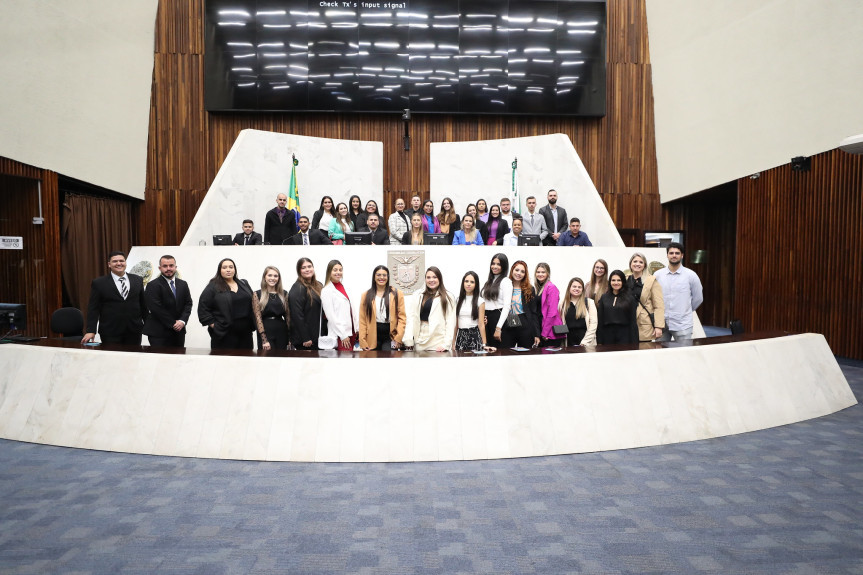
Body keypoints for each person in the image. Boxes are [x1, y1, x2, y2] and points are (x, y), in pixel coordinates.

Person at [82, 251, 148, 345]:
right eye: (115, 261)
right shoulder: (99, 283)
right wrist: (90, 330)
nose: (119, 263)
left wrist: (149, 327)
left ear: (125, 262)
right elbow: (93, 308)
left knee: (133, 358)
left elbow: (143, 306)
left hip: (134, 331)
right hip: (110, 332)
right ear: (109, 264)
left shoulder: (138, 280)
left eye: (121, 261)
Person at [197, 258, 256, 349]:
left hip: (246, 333)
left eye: (231, 267)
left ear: (234, 269)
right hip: (224, 334)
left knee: (245, 361)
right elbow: (203, 308)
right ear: (219, 270)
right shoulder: (213, 286)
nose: (228, 270)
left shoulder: (243, 283)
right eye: (224, 267)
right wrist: (215, 326)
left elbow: (253, 303)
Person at [653, 242, 703, 341]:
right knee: (660, 353)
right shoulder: (658, 275)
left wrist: (685, 310)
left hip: (682, 325)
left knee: (683, 354)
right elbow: (653, 297)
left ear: (682, 255)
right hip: (661, 324)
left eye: (677, 253)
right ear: (667, 255)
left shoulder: (691, 275)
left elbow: (698, 298)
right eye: (671, 253)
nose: (674, 255)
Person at [143, 254, 193, 348]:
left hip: (179, 332)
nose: (168, 268)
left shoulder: (183, 284)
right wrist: (174, 323)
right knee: (160, 361)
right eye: (165, 266)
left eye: (171, 265)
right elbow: (156, 308)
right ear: (160, 268)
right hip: (159, 333)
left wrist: (182, 321)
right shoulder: (152, 285)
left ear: (175, 267)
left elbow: (188, 304)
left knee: (178, 360)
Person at [403, 266, 455, 352]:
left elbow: (450, 322)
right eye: (428, 277)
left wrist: (446, 344)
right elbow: (411, 318)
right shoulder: (417, 295)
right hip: (420, 339)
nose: (431, 280)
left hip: (438, 341)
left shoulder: (448, 297)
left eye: (434, 277)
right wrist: (408, 340)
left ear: (440, 279)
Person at [358, 265, 406, 351]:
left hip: (391, 336)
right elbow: (362, 320)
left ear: (388, 277)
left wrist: (398, 338)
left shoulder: (397, 294)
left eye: (384, 275)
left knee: (388, 361)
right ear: (374, 277)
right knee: (372, 362)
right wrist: (362, 340)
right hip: (372, 336)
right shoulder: (366, 295)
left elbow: (402, 318)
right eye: (378, 275)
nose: (381, 277)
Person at [501, 260, 541, 349]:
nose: (519, 273)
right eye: (517, 270)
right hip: (509, 321)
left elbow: (534, 312)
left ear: (525, 274)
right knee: (506, 352)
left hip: (525, 323)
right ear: (512, 270)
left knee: (525, 354)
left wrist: (536, 334)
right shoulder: (505, 286)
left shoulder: (530, 289)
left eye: (522, 271)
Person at [453, 271, 496, 352]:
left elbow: (481, 324)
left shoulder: (480, 301)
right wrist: (453, 343)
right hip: (461, 336)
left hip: (474, 335)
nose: (468, 284)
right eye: (466, 281)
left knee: (475, 363)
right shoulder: (458, 300)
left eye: (472, 282)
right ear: (463, 283)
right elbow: (456, 325)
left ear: (476, 284)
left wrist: (484, 344)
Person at [288, 257, 325, 350]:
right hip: (306, 340)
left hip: (318, 336)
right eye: (303, 267)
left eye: (309, 266)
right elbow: (297, 315)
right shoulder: (298, 288)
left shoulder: (319, 285)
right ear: (299, 271)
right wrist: (306, 337)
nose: (307, 269)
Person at [627, 252, 665, 342]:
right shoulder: (625, 279)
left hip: (644, 324)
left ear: (644, 265)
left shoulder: (651, 281)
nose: (637, 264)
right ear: (630, 264)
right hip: (627, 322)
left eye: (641, 262)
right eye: (635, 261)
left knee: (644, 352)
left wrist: (658, 327)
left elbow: (659, 306)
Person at [320, 260, 357, 351]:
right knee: (343, 362)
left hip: (351, 332)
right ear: (329, 272)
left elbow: (352, 310)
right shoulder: (326, 290)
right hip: (340, 335)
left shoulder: (345, 287)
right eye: (335, 270)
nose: (338, 272)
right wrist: (343, 335)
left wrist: (356, 328)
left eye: (340, 270)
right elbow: (331, 316)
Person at [596, 270, 639, 345]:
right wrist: (599, 340)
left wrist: (634, 343)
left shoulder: (630, 298)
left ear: (623, 282)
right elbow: (600, 321)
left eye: (619, 280)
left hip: (625, 336)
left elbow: (633, 323)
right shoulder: (604, 297)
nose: (616, 283)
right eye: (613, 280)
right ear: (610, 282)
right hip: (607, 336)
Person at [253, 266, 291, 351]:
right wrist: (264, 340)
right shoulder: (257, 294)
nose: (272, 278)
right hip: (266, 331)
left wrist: (290, 338)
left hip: (281, 331)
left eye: (275, 276)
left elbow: (288, 317)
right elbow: (257, 318)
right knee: (267, 360)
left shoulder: (284, 294)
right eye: (269, 275)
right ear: (264, 277)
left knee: (282, 360)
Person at [481, 253, 512, 345]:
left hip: (498, 318)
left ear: (504, 266)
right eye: (493, 263)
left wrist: (498, 328)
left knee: (499, 352)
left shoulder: (506, 281)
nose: (495, 266)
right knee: (487, 349)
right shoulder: (489, 281)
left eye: (498, 264)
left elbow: (507, 307)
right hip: (487, 318)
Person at [559, 277, 598, 346]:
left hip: (586, 342)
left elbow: (593, 324)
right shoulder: (562, 304)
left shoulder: (589, 302)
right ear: (569, 288)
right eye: (574, 286)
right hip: (569, 342)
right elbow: (560, 323)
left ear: (582, 289)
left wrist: (584, 342)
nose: (576, 289)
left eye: (579, 287)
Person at [534, 262, 565, 346]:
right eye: (538, 272)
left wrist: (545, 332)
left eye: (543, 272)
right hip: (541, 327)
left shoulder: (551, 287)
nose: (540, 274)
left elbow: (552, 312)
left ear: (548, 273)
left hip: (550, 331)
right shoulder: (537, 288)